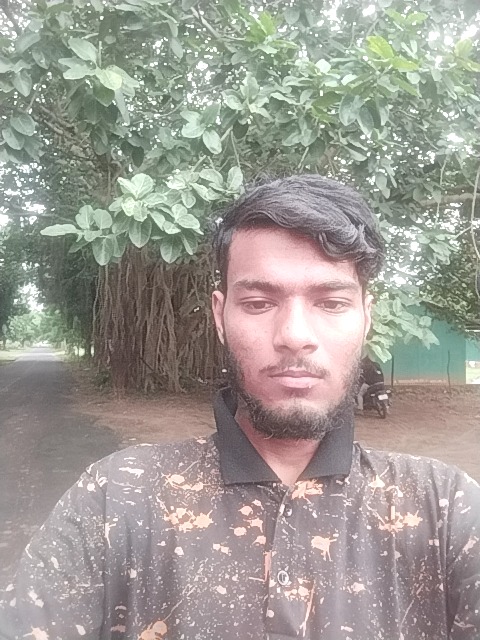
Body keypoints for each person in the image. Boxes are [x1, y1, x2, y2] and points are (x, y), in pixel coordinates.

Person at [0, 174, 479, 639]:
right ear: (219, 315)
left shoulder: (443, 507)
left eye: (331, 303)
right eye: (258, 303)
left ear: (366, 317)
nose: (294, 336)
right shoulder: (118, 498)